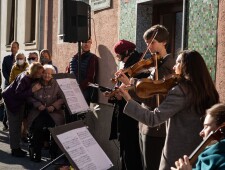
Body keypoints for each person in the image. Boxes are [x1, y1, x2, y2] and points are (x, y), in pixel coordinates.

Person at [117, 50, 219, 170]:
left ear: (185, 67)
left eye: (177, 63)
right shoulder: (208, 90)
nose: (174, 67)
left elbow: (153, 119)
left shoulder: (181, 91)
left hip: (178, 158)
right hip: (200, 153)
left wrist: (128, 99)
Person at [135, 25, 175, 170]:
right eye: (147, 43)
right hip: (145, 123)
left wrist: (131, 88)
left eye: (152, 42)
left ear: (164, 42)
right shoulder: (156, 63)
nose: (149, 47)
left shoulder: (169, 66)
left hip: (156, 127)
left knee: (151, 166)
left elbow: (153, 97)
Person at [105, 39, 144, 170]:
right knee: (125, 150)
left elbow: (140, 92)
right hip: (125, 113)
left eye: (118, 55)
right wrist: (115, 94)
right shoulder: (128, 65)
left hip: (131, 116)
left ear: (126, 52)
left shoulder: (138, 66)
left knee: (130, 151)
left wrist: (124, 88)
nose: (118, 58)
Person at [2, 62, 43, 157]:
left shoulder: (29, 76)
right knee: (14, 126)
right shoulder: (24, 78)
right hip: (11, 101)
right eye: (40, 73)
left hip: (18, 102)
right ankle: (15, 149)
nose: (41, 74)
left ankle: (17, 147)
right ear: (34, 72)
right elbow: (18, 94)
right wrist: (32, 90)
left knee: (18, 124)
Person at [27, 64, 65, 162]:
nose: (47, 75)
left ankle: (53, 153)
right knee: (37, 128)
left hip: (53, 112)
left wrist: (54, 106)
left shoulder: (57, 85)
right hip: (38, 112)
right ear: (42, 73)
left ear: (53, 75)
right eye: (45, 73)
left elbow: (63, 98)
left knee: (54, 128)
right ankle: (37, 153)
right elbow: (29, 97)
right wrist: (37, 104)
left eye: (50, 74)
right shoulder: (36, 84)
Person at [171, 103, 225, 170]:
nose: (201, 133)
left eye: (206, 126)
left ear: (222, 127)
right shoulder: (206, 155)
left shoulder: (222, 161)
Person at [66, 37, 99, 105]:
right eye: (84, 41)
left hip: (84, 92)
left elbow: (90, 78)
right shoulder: (73, 58)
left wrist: (78, 89)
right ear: (79, 43)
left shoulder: (92, 58)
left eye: (89, 42)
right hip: (71, 92)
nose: (86, 44)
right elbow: (67, 74)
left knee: (81, 114)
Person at [1, 41, 19, 131]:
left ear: (18, 48)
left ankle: (12, 123)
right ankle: (5, 123)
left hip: (18, 85)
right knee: (6, 104)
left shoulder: (20, 59)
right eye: (12, 47)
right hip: (8, 84)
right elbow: (4, 71)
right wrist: (10, 80)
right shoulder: (6, 59)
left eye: (15, 47)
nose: (13, 49)